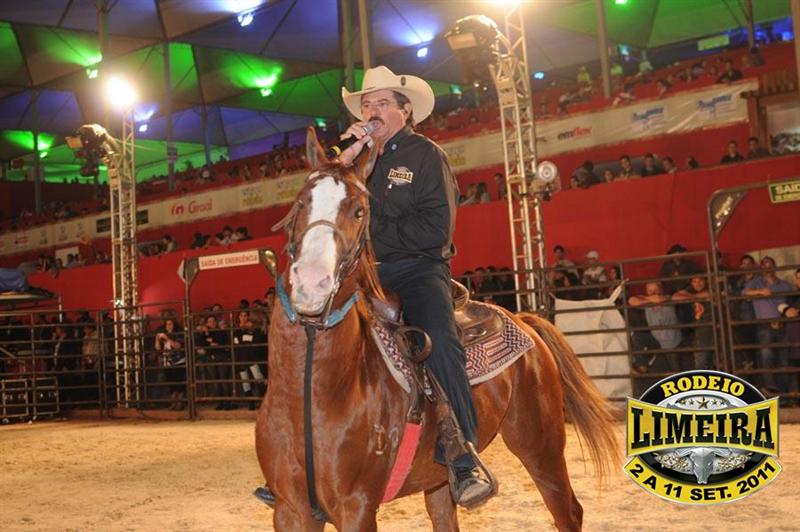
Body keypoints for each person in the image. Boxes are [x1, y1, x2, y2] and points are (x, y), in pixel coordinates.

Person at [326, 65, 493, 506]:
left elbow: (436, 229)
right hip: (364, 274)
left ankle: (462, 455)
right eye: (366, 104)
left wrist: (371, 232)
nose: (372, 111)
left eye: (382, 103)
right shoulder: (357, 161)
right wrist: (345, 161)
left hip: (417, 269)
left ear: (405, 111)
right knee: (313, 329)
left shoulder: (425, 155)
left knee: (439, 339)